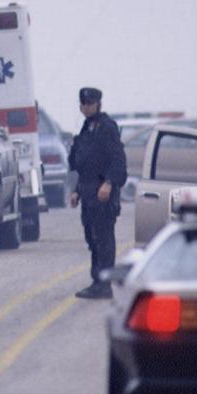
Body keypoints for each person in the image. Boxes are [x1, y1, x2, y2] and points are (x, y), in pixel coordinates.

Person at [68, 86, 126, 300]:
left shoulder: (107, 127)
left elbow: (118, 159)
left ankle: (104, 283)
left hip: (103, 191)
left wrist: (109, 183)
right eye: (83, 104)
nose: (86, 107)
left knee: (103, 238)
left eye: (90, 103)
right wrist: (76, 191)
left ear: (97, 104)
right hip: (88, 190)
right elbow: (83, 164)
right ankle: (97, 281)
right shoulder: (86, 128)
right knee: (92, 238)